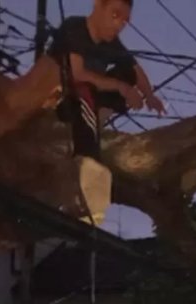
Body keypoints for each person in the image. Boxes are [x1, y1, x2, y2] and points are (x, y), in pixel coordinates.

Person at [46, 0, 165, 225]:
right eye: (115, 15)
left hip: (90, 100)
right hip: (63, 98)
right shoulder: (75, 28)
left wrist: (149, 96)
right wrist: (121, 88)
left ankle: (95, 120)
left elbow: (135, 69)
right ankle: (88, 161)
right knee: (87, 89)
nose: (119, 25)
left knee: (125, 74)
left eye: (125, 21)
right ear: (98, 6)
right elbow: (77, 74)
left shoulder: (111, 43)